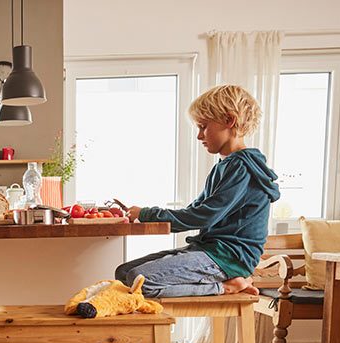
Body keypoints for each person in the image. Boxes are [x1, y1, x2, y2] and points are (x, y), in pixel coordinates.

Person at [115, 84, 280, 298]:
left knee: (141, 281)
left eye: (203, 126)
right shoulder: (225, 166)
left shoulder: (241, 168)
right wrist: (148, 215)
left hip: (228, 257)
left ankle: (227, 286)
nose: (199, 136)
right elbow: (197, 210)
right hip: (211, 250)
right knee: (124, 272)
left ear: (229, 121)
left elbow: (203, 217)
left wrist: (147, 214)